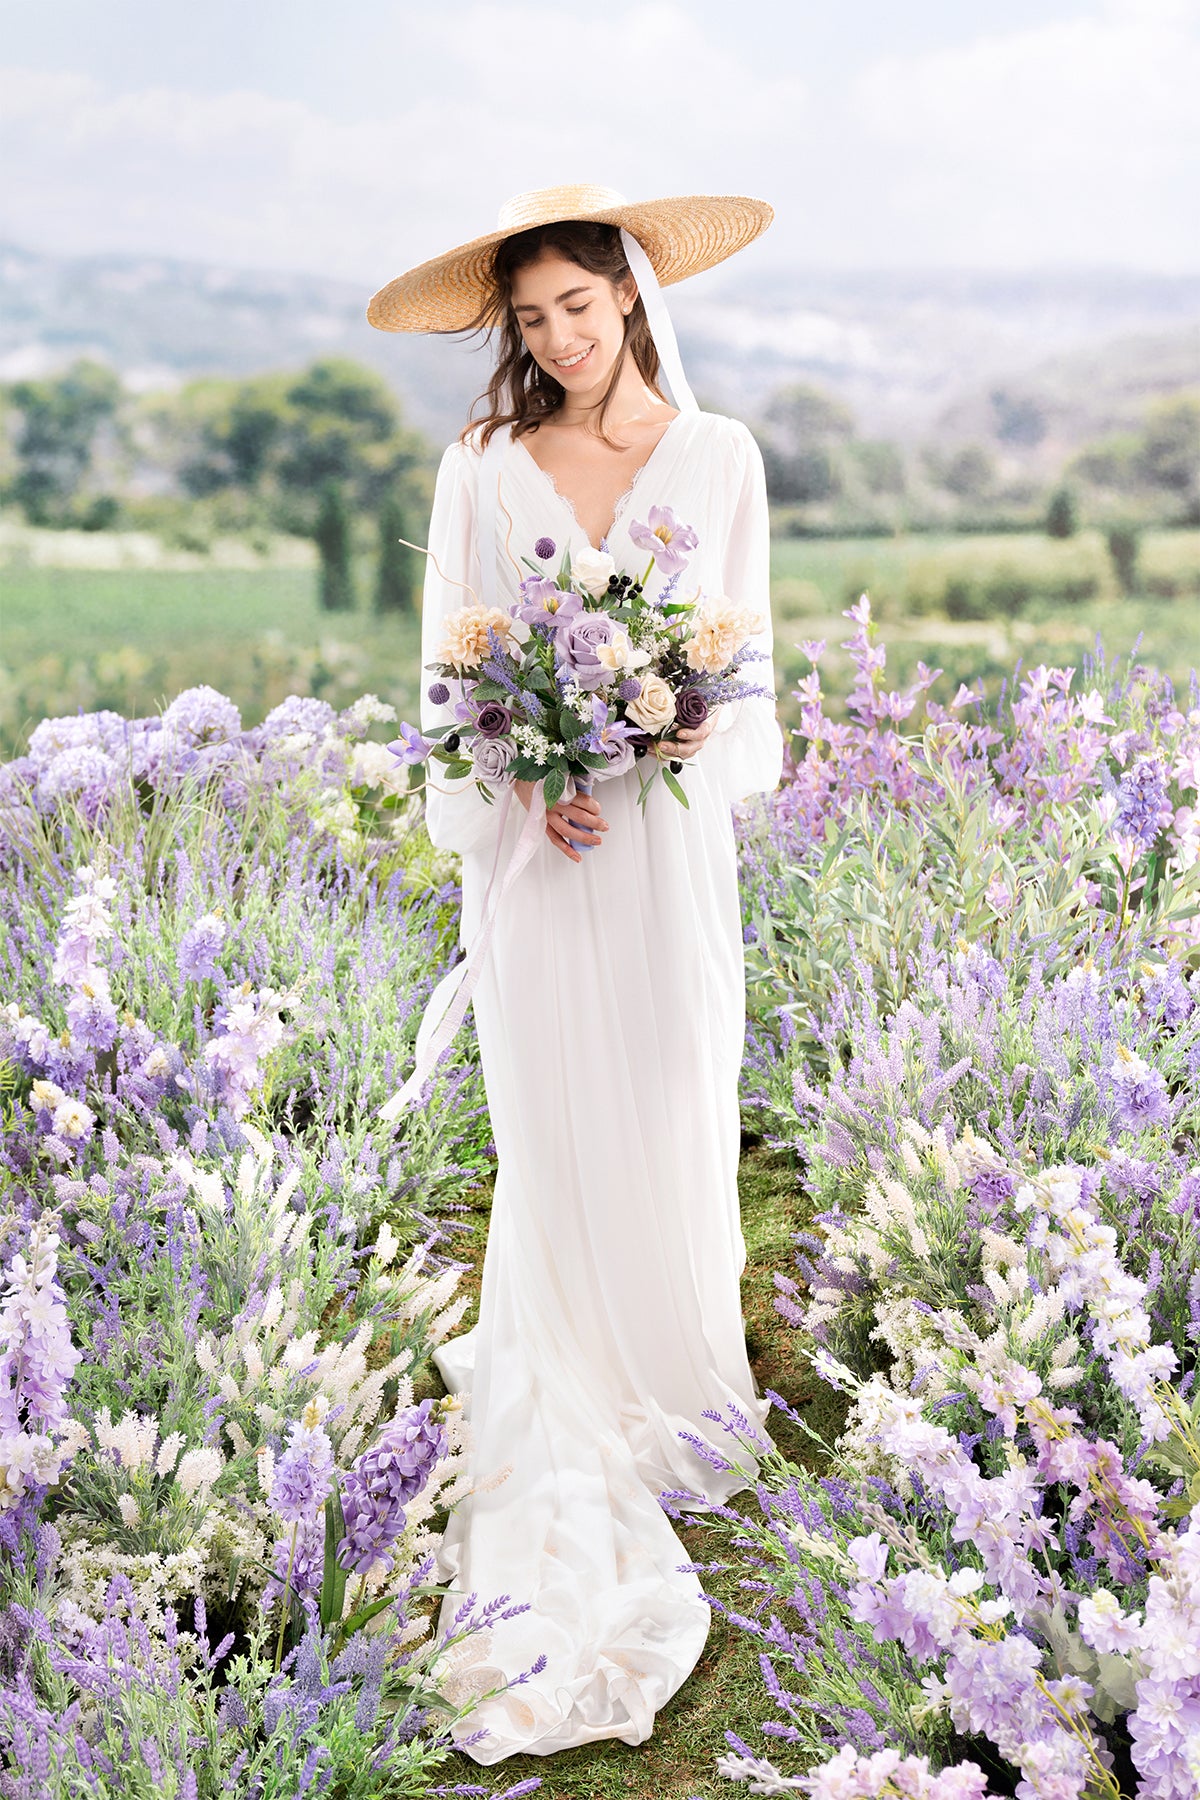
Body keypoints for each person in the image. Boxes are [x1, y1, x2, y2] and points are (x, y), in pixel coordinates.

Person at [367, 184, 784, 1763]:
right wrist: (525, 779)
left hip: (666, 847)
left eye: (577, 308)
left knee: (674, 1086)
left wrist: (680, 723)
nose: (555, 338)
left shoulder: (718, 455)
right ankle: (565, 1362)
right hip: (545, 856)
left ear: (630, 298)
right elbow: (453, 666)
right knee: (554, 1107)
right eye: (528, 319)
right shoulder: (480, 465)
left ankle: (671, 1369)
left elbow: (744, 661)